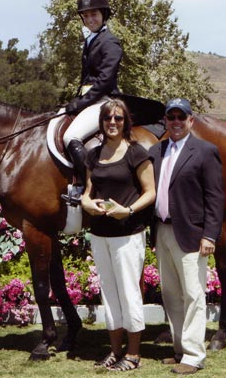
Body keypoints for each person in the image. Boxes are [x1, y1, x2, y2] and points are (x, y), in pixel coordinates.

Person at [149, 98, 224, 375]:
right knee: (171, 295)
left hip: (192, 235)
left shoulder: (205, 151)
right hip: (162, 231)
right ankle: (180, 348)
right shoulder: (156, 151)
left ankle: (193, 356)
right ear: (165, 121)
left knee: (193, 294)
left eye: (182, 117)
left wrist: (210, 235)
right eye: (172, 117)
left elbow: (215, 198)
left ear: (191, 120)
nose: (176, 122)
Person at [81, 99, 156, 371]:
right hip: (100, 234)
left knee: (128, 293)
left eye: (118, 118)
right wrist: (86, 203)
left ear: (126, 122)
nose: (112, 122)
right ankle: (114, 350)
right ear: (101, 122)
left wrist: (129, 210)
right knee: (109, 293)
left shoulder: (136, 153)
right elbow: (88, 191)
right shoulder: (93, 154)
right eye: (108, 118)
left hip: (128, 235)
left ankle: (133, 354)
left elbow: (151, 192)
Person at [62, 0, 123, 204]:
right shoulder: (90, 40)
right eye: (85, 16)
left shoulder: (110, 42)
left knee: (71, 137)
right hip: (90, 100)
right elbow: (85, 79)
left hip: (104, 101)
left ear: (103, 15)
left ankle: (89, 187)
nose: (89, 19)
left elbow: (104, 81)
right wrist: (74, 101)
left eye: (93, 14)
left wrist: (81, 102)